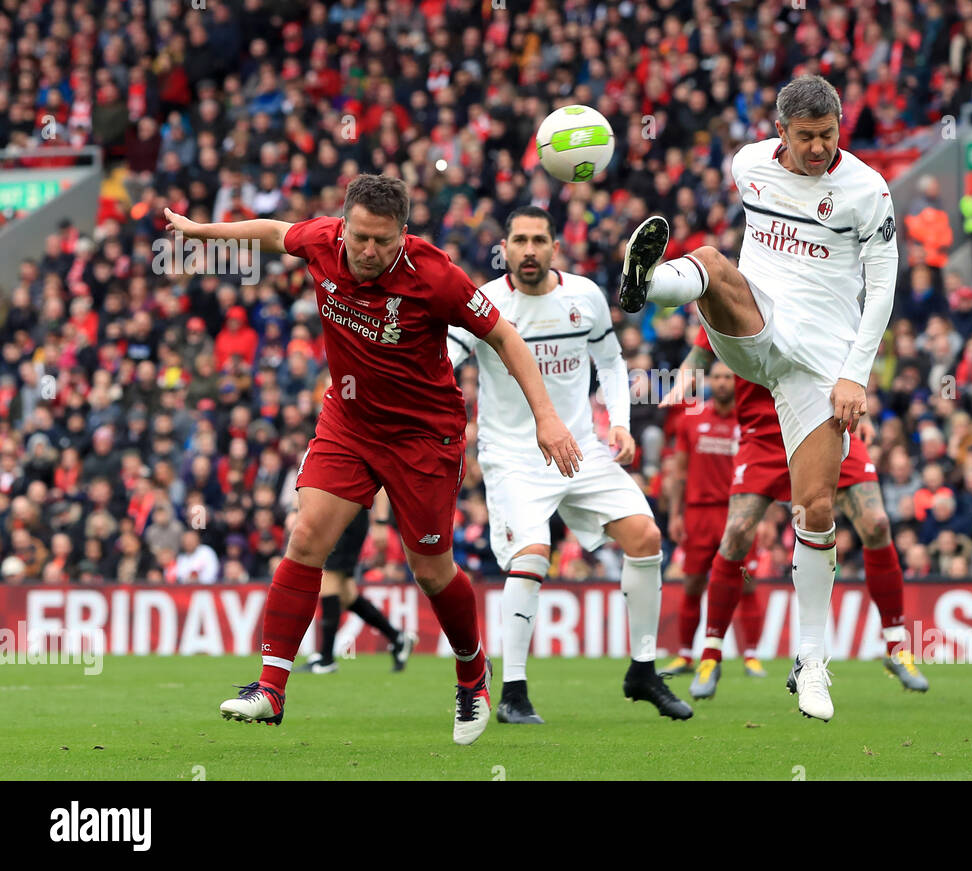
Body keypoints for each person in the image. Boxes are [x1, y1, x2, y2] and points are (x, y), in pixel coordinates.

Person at [164, 174, 582, 745]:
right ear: (344, 227)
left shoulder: (436, 276)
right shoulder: (324, 240)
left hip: (423, 437)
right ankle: (269, 687)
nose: (367, 251)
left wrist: (547, 417)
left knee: (431, 571)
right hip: (351, 422)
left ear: (403, 235)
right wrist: (200, 231)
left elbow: (506, 337)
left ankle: (471, 673)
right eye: (359, 237)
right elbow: (273, 231)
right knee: (308, 536)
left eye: (382, 242)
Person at [617, 75, 898, 721]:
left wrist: (856, 374)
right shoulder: (747, 166)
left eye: (828, 134)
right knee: (713, 261)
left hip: (819, 366)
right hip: (751, 332)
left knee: (818, 507)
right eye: (806, 138)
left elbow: (881, 288)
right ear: (780, 133)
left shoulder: (866, 189)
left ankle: (811, 660)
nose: (820, 148)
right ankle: (647, 284)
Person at [447, 206, 691, 725]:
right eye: (519, 241)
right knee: (533, 553)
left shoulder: (583, 296)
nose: (529, 250)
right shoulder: (484, 302)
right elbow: (446, 359)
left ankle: (643, 671)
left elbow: (609, 363)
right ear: (505, 248)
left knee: (647, 538)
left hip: (581, 448)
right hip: (513, 455)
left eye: (539, 240)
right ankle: (513, 690)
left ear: (555, 247)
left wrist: (619, 423)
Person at [664, 329, 929, 701]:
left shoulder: (822, 286)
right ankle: (710, 654)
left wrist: (860, 401)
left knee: (877, 523)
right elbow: (703, 345)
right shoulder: (747, 294)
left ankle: (896, 646)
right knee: (737, 532)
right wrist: (684, 375)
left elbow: (854, 346)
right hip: (765, 437)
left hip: (827, 424)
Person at [659, 359, 768, 683]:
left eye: (727, 377)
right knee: (692, 582)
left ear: (737, 382)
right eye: (717, 377)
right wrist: (675, 514)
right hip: (698, 513)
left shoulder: (750, 419)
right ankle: (685, 654)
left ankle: (750, 655)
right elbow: (679, 471)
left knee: (746, 583)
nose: (722, 383)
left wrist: (765, 517)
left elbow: (767, 469)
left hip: (740, 512)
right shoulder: (691, 419)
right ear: (709, 382)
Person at [295, 490, 418, 675]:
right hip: (334, 516)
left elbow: (381, 485)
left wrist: (381, 522)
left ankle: (326, 659)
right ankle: (398, 638)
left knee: (329, 582)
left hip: (346, 517)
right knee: (346, 594)